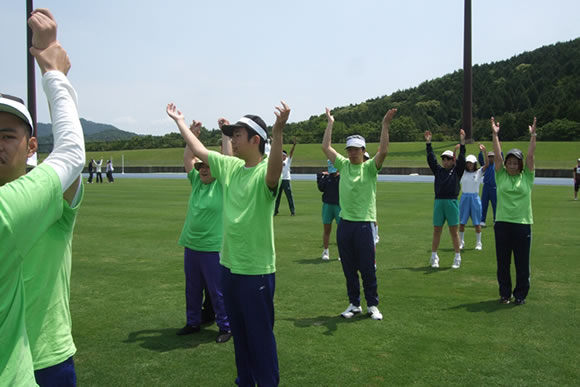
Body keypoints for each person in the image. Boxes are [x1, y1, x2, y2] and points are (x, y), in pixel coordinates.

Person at [166, 100, 290, 386]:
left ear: (254, 140)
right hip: (229, 268)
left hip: (256, 272)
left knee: (260, 339)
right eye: (231, 134)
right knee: (241, 338)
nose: (232, 139)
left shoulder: (264, 174)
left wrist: (279, 131)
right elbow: (198, 151)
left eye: (237, 135)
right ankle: (245, 381)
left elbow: (273, 172)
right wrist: (179, 122)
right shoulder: (231, 167)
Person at [0, 8, 85, 385]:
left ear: (32, 145)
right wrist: (52, 68)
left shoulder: (50, 196)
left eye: (7, 136)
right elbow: (70, 152)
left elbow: (68, 164)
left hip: (47, 352)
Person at [322, 106, 397, 321]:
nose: (352, 152)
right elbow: (325, 147)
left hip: (365, 225)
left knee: (367, 268)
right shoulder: (343, 166)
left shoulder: (370, 168)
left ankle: (372, 304)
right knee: (349, 268)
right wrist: (330, 123)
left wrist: (384, 126)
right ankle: (354, 303)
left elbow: (383, 151)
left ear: (363, 149)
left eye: (356, 149)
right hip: (345, 224)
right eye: (350, 149)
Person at [175, 118, 232, 343]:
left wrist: (225, 134)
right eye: (202, 167)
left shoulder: (222, 184)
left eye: (208, 167)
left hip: (213, 247)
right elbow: (188, 158)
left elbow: (227, 160)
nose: (204, 170)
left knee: (217, 291)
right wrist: (193, 134)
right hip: (192, 244)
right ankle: (193, 322)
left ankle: (226, 326)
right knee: (193, 288)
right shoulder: (197, 182)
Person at [491, 116, 537, 305]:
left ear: (520, 166)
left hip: (522, 224)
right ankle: (504, 294)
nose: (511, 165)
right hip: (502, 223)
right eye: (509, 162)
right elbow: (497, 154)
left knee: (521, 264)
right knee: (503, 263)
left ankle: (520, 295)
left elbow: (531, 157)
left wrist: (533, 135)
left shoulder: (527, 177)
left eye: (515, 163)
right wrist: (495, 135)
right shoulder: (500, 176)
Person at [425, 129, 466, 269]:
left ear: (453, 160)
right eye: (443, 158)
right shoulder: (438, 170)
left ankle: (457, 257)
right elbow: (431, 159)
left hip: (452, 202)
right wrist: (428, 143)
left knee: (454, 232)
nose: (444, 161)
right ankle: (434, 256)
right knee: (437, 230)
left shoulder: (457, 171)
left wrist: (462, 143)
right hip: (439, 202)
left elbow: (462, 159)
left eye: (447, 159)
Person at [459, 147, 489, 251]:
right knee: (462, 222)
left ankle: (478, 243)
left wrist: (484, 152)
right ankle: (461, 242)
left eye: (471, 163)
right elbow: (454, 162)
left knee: (477, 222)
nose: (469, 164)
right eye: (467, 163)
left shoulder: (479, 172)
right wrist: (455, 151)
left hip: (474, 198)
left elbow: (487, 165)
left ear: (475, 163)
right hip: (464, 198)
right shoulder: (462, 172)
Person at [316, 160, 340, 261]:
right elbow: (321, 188)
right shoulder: (326, 177)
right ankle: (326, 251)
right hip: (327, 205)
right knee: (327, 229)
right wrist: (319, 176)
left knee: (341, 231)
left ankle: (341, 253)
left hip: (339, 206)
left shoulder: (342, 177)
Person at [274, 137, 296, 216]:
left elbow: (291, 153)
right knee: (277, 197)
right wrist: (274, 142)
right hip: (279, 180)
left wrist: (294, 146)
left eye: (283, 155)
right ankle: (275, 211)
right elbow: (275, 151)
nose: (282, 157)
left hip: (286, 180)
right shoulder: (278, 160)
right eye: (281, 155)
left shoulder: (288, 160)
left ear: (285, 156)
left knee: (289, 196)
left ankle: (292, 211)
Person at [478, 149, 498, 226]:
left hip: (494, 187)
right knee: (484, 204)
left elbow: (501, 158)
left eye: (492, 157)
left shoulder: (496, 165)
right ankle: (482, 220)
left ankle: (496, 219)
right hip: (486, 187)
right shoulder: (486, 165)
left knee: (495, 204)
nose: (490, 158)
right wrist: (480, 152)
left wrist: (499, 149)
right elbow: (480, 159)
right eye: (489, 157)